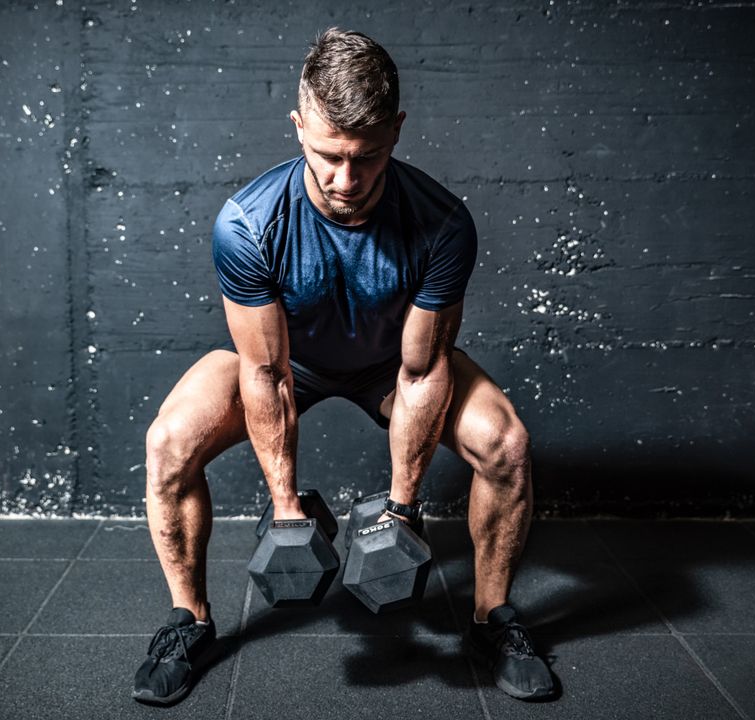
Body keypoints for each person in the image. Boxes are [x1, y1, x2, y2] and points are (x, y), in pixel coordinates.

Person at [132, 28, 554, 706]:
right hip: (283, 364)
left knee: (505, 443)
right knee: (169, 442)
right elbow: (265, 373)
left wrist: (404, 511)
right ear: (299, 126)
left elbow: (420, 373)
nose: (346, 180)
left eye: (370, 156)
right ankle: (190, 622)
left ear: (397, 130)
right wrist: (286, 508)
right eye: (328, 156)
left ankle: (492, 619)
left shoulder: (441, 224)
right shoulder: (247, 223)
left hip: (392, 366)